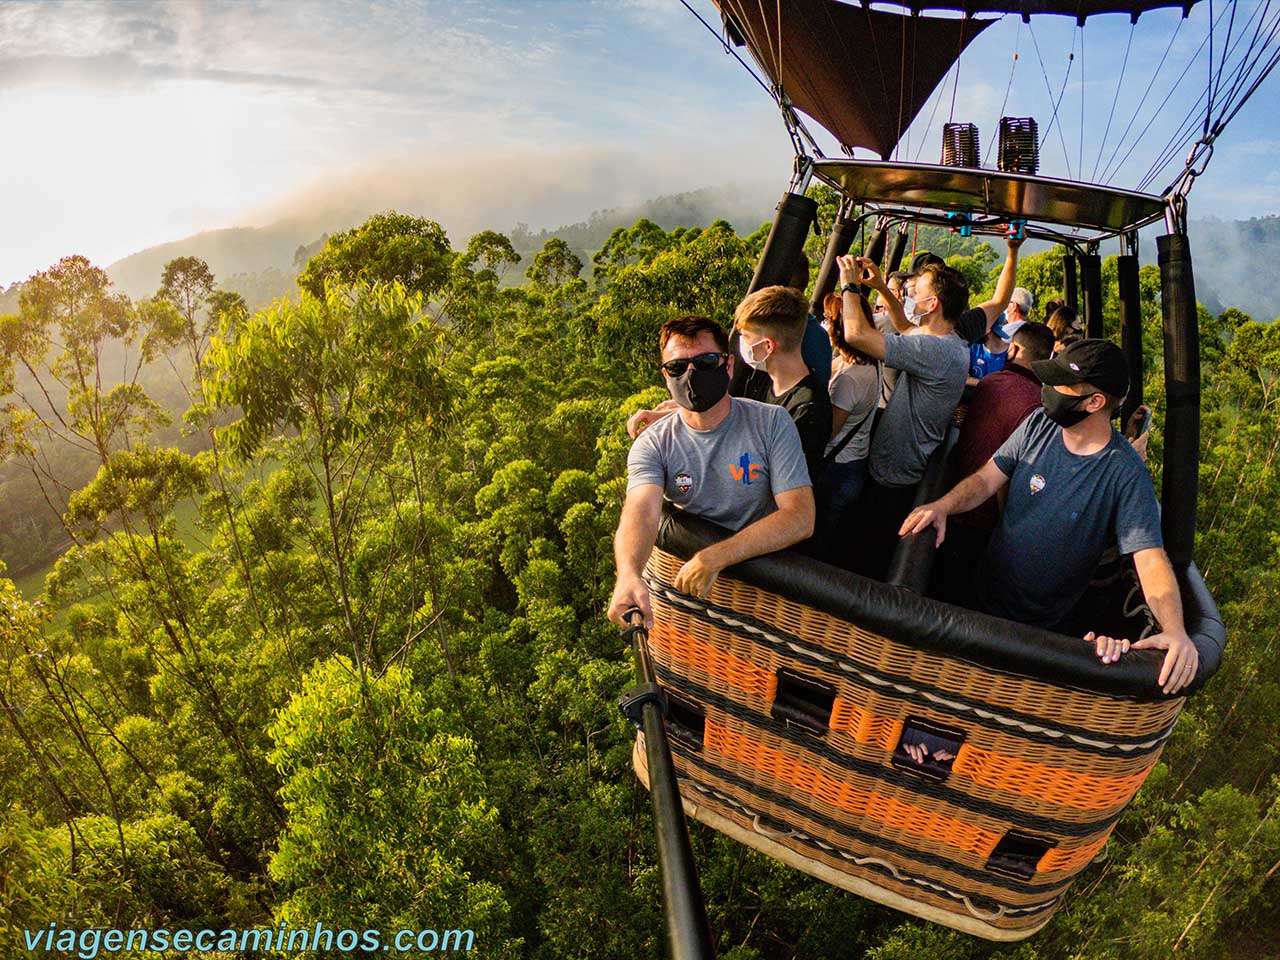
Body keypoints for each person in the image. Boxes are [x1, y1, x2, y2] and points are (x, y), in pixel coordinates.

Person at [898, 339, 1199, 695]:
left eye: (1061, 384)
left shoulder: (1124, 474)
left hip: (1041, 629)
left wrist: (1175, 630)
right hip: (983, 594)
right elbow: (986, 479)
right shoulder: (1038, 425)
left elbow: (1149, 559)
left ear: (1094, 402)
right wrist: (943, 505)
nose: (1050, 391)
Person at [607, 315, 815, 628]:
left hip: (763, 574)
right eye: (678, 367)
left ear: (728, 366)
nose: (691, 375)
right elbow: (640, 512)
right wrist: (628, 573)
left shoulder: (771, 423)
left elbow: (800, 517)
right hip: (696, 586)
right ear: (666, 377)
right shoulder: (654, 444)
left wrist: (715, 557)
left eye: (705, 362)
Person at [834, 255, 971, 574]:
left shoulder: (935, 351)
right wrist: (881, 286)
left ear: (932, 303)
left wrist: (849, 285)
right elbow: (905, 328)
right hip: (902, 468)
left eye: (916, 290)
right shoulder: (946, 343)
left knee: (860, 558)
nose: (910, 294)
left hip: (893, 477)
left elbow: (856, 335)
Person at [629, 286, 833, 474]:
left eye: (745, 336)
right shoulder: (764, 380)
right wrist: (676, 414)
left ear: (767, 347)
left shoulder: (807, 410)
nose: (741, 343)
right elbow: (737, 411)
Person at [813, 291, 879, 551]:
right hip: (854, 460)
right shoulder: (867, 361)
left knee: (819, 535)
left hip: (837, 469)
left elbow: (828, 432)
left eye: (828, 319)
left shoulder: (849, 379)